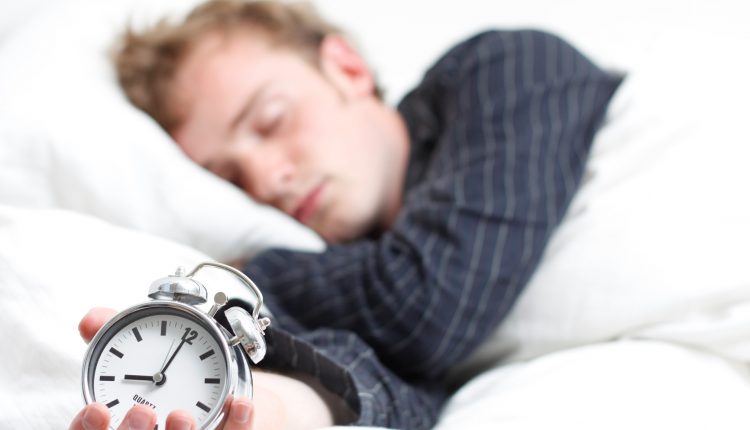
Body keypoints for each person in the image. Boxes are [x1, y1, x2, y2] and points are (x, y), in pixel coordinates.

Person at [70, 0, 622, 428]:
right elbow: (405, 385)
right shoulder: (348, 276)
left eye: (271, 121)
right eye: (232, 180)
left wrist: (247, 277)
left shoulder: (510, 68)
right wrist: (271, 407)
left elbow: (427, 306)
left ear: (346, 68)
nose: (266, 179)